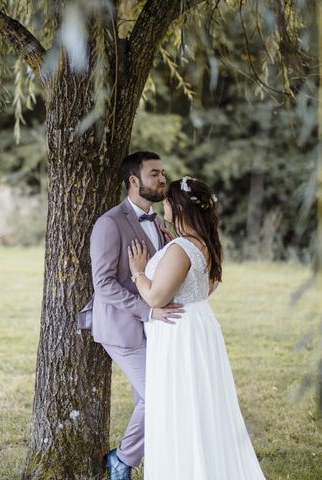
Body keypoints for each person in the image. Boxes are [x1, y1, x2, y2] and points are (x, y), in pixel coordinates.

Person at [128, 176, 266, 479]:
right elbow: (205, 289)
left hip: (178, 333)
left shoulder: (181, 248)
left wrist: (138, 271)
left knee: (181, 406)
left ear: (178, 207)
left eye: (167, 200)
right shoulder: (207, 244)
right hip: (199, 326)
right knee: (202, 404)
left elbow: (156, 296)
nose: (163, 203)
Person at [79, 151, 185, 480]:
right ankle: (122, 460)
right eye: (154, 173)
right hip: (122, 329)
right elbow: (104, 284)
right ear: (134, 180)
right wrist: (148, 311)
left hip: (155, 328)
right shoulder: (109, 224)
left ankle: (132, 458)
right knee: (159, 396)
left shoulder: (161, 224)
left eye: (163, 172)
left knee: (151, 398)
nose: (162, 179)